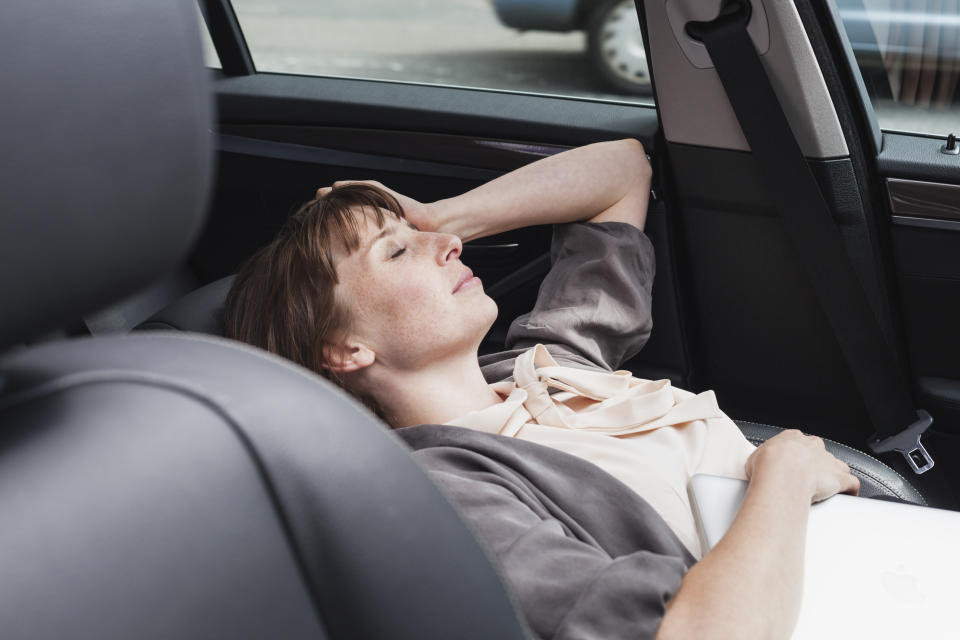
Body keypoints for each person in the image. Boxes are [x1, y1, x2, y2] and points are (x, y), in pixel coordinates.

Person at [224, 139, 860, 639]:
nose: (447, 246)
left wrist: (441, 215)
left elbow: (622, 170)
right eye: (395, 254)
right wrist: (784, 476)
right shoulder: (448, 494)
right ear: (346, 349)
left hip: (855, 567)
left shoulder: (551, 356)